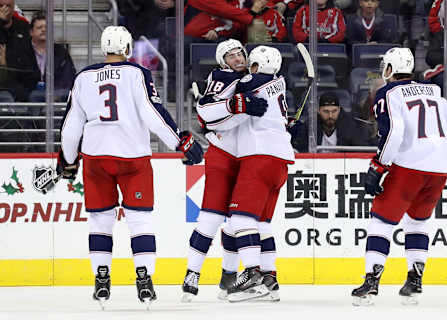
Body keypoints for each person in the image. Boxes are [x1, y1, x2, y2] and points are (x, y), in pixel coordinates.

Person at [57, 26, 203, 307]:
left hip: (96, 158)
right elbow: (153, 114)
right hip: (132, 158)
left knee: (100, 221)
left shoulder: (83, 78)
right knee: (140, 220)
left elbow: (70, 126)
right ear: (127, 49)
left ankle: (101, 278)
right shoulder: (137, 73)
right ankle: (144, 277)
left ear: (104, 48)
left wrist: (69, 158)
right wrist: (180, 142)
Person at [351, 47, 447, 306]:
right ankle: (414, 282)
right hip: (438, 169)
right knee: (418, 222)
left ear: (389, 69)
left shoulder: (388, 92)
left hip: (408, 165)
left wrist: (379, 165)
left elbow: (394, 132)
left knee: (381, 221)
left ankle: (371, 282)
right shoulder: (434, 91)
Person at [181, 39, 269, 302]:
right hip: (222, 154)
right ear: (222, 61)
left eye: (240, 53)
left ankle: (229, 275)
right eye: (231, 56)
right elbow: (205, 110)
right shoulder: (223, 76)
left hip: (244, 157)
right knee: (211, 216)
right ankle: (191, 274)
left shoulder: (251, 79)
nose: (237, 59)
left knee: (236, 220)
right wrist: (236, 105)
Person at [225, 46, 294, 302]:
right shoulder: (280, 82)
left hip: (259, 157)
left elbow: (229, 91)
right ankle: (269, 278)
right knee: (262, 223)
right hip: (280, 161)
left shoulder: (251, 82)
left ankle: (252, 274)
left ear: (255, 66)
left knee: (240, 218)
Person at [292, 91, 370, 152]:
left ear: (339, 110)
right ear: (318, 111)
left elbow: (359, 151)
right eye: (326, 111)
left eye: (334, 111)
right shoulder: (310, 125)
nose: (330, 116)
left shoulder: (350, 126)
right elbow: (300, 148)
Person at [29, 11, 76, 102]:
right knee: (35, 96)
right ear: (31, 32)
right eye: (39, 27)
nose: (43, 30)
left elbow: (68, 77)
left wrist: (55, 93)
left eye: (46, 28)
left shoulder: (61, 51)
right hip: (29, 98)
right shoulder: (23, 51)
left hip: (56, 97)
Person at [0, 0, 40, 102]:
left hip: (21, 83)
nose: (4, 9)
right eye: (1, 6)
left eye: (8, 6)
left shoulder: (23, 27)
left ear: (13, 7)